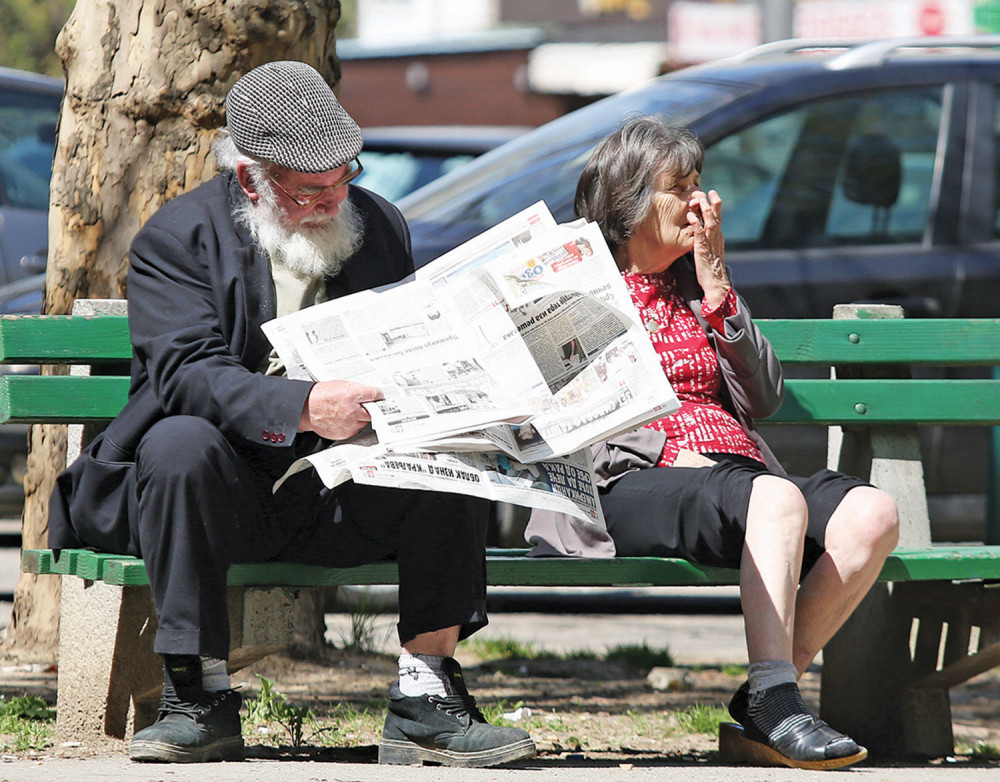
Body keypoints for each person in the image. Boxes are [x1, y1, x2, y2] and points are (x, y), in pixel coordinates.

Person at [47, 61, 536, 768]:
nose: (334, 200)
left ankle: (427, 694)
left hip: (339, 489)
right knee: (180, 443)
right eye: (310, 190)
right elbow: (186, 375)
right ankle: (198, 695)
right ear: (251, 179)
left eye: (344, 178)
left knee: (452, 451)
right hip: (219, 495)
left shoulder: (378, 227)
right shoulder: (179, 238)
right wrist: (303, 406)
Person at [526, 116, 899, 770]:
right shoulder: (574, 289)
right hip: (626, 485)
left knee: (873, 514)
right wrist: (671, 454)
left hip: (741, 484)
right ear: (631, 201)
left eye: (701, 185)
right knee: (774, 499)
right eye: (680, 187)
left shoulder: (695, 293)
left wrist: (718, 285)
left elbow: (762, 400)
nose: (700, 203)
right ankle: (780, 700)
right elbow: (570, 418)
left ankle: (766, 699)